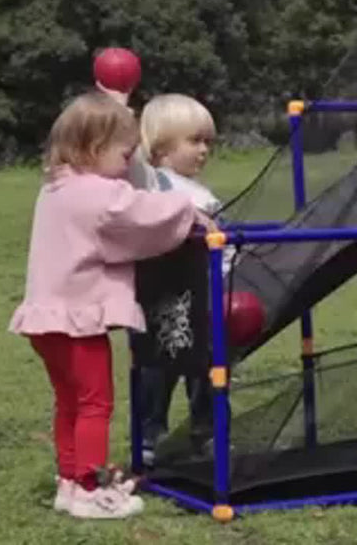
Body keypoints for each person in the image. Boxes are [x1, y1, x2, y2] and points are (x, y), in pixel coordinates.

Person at [8, 91, 216, 520]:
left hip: (44, 319)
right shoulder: (98, 195)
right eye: (123, 156)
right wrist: (189, 211)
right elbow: (141, 215)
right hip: (78, 321)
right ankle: (92, 488)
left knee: (69, 402)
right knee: (95, 403)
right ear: (94, 148)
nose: (127, 166)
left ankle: (70, 481)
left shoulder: (56, 189)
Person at [128, 94, 228, 468]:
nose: (204, 150)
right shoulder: (153, 184)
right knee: (158, 367)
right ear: (161, 148)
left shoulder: (203, 193)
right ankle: (149, 435)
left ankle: (208, 433)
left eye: (207, 142)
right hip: (162, 296)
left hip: (204, 296)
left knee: (207, 368)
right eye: (194, 141)